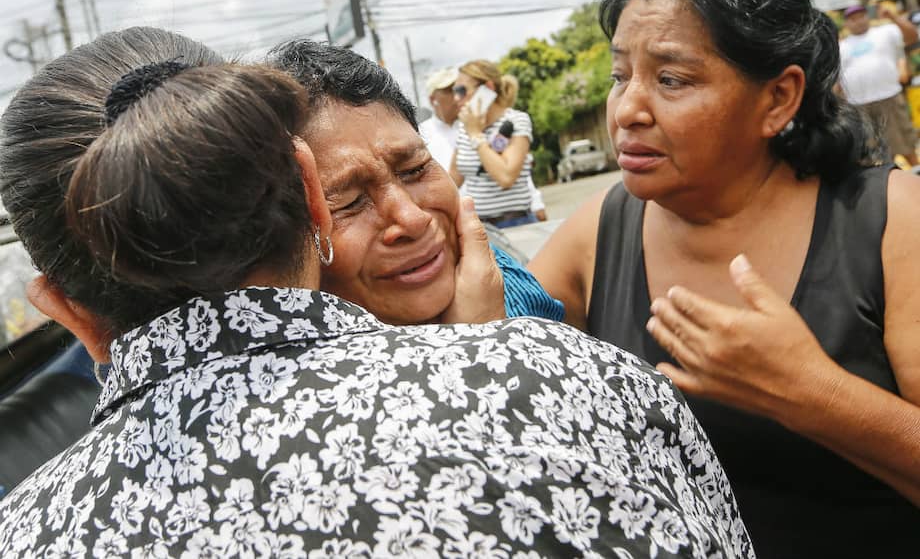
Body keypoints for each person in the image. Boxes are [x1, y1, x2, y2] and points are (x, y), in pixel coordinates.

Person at [0, 27, 754, 558]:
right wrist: (485, 373)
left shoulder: (28, 529)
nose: (406, 217)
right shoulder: (567, 382)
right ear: (308, 195)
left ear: (68, 312)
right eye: (352, 196)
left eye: (414, 167)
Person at [529, 0, 920, 557]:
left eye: (671, 80)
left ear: (778, 99)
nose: (627, 110)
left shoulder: (893, 220)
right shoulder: (598, 233)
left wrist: (812, 392)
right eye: (619, 76)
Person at [266, 40, 563, 324]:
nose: (413, 219)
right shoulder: (297, 368)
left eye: (415, 169)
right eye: (351, 202)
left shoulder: (510, 283)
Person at [453, 60, 539, 228]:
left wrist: (476, 135)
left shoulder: (516, 120)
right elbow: (452, 179)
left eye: (461, 91)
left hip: (515, 224)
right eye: (454, 91)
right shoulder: (465, 127)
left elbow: (506, 177)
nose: (456, 98)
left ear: (488, 88)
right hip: (479, 227)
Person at [839, 3, 918, 162]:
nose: (858, 21)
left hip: (889, 99)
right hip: (859, 106)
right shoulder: (840, 46)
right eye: (853, 19)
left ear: (868, 17)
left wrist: (894, 17)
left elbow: (912, 36)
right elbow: (837, 79)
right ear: (846, 24)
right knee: (874, 155)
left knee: (905, 145)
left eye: (861, 16)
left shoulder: (886, 31)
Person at [419, 66, 462, 172]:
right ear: (433, 99)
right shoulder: (421, 135)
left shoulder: (474, 126)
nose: (456, 96)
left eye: (458, 89)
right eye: (449, 90)